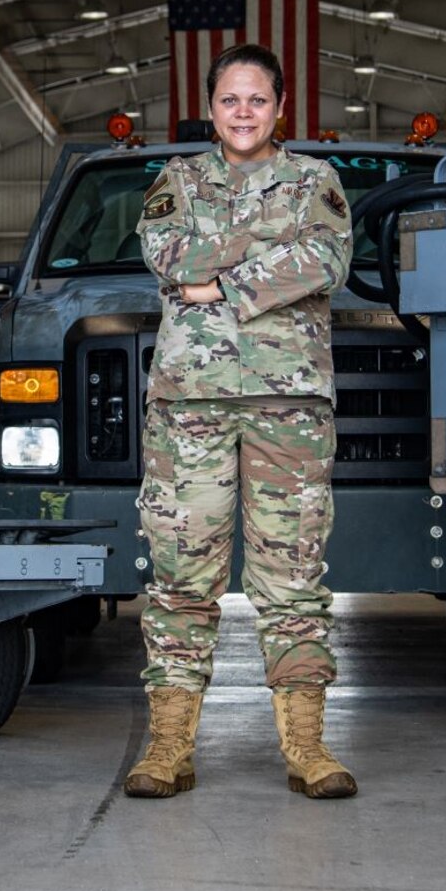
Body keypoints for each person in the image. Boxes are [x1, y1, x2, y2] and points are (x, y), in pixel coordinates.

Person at [123, 43, 357, 801]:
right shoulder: (176, 181)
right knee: (181, 577)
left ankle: (308, 748)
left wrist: (219, 279)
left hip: (288, 408)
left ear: (280, 106)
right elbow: (166, 255)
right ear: (211, 107)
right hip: (190, 406)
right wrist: (266, 247)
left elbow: (325, 258)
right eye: (231, 100)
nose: (245, 112)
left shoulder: (315, 180)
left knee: (292, 578)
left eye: (258, 99)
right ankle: (167, 747)